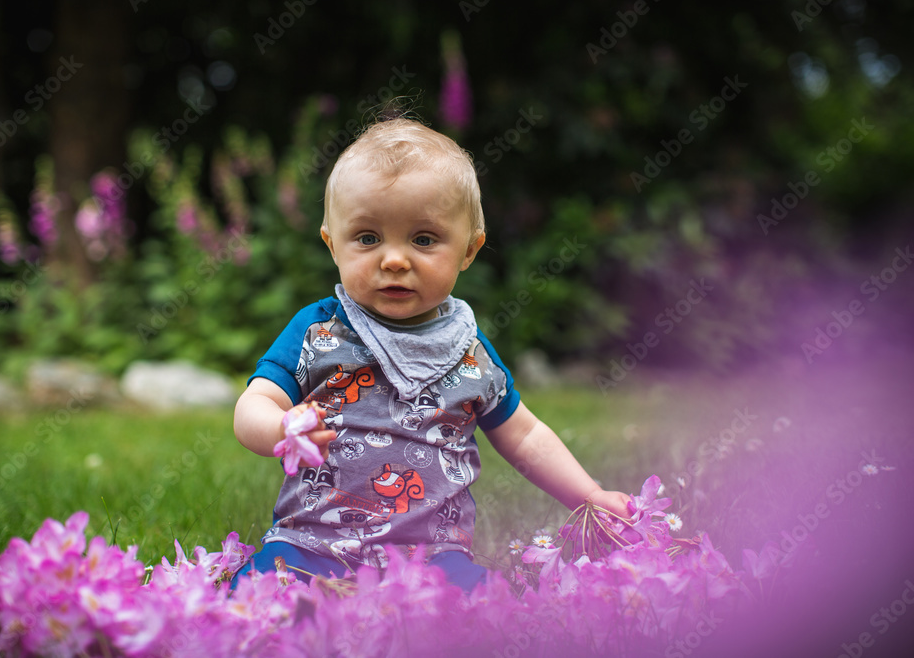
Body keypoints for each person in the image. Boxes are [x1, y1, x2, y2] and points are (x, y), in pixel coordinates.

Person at [231, 116, 630, 592]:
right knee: (263, 593)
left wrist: (588, 494)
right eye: (367, 238)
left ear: (468, 250)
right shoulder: (318, 331)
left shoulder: (469, 352)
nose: (394, 259)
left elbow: (525, 436)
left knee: (484, 607)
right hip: (312, 544)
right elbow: (252, 404)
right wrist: (279, 427)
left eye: (423, 239)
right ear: (331, 243)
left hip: (433, 557)